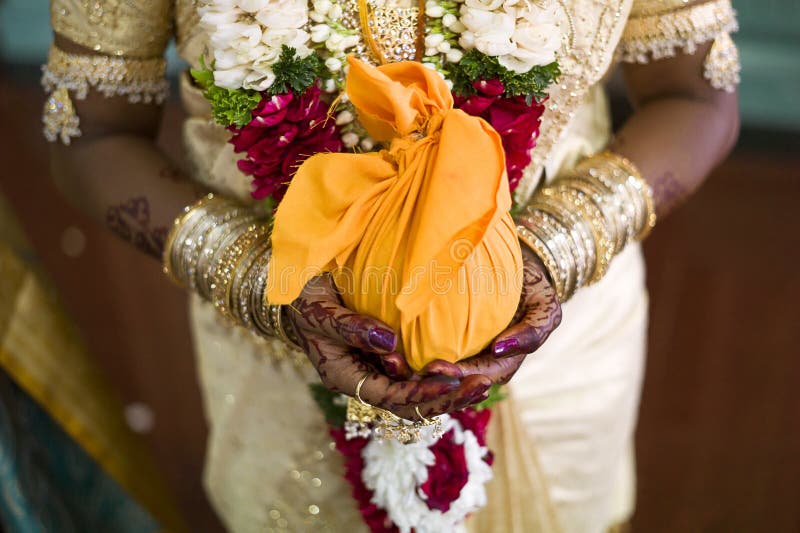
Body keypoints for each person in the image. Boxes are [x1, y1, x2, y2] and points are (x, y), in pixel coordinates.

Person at [31, 0, 739, 531]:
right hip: (281, 372)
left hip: (561, 351)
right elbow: (90, 134)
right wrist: (258, 281)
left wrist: (552, 249)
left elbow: (697, 97)